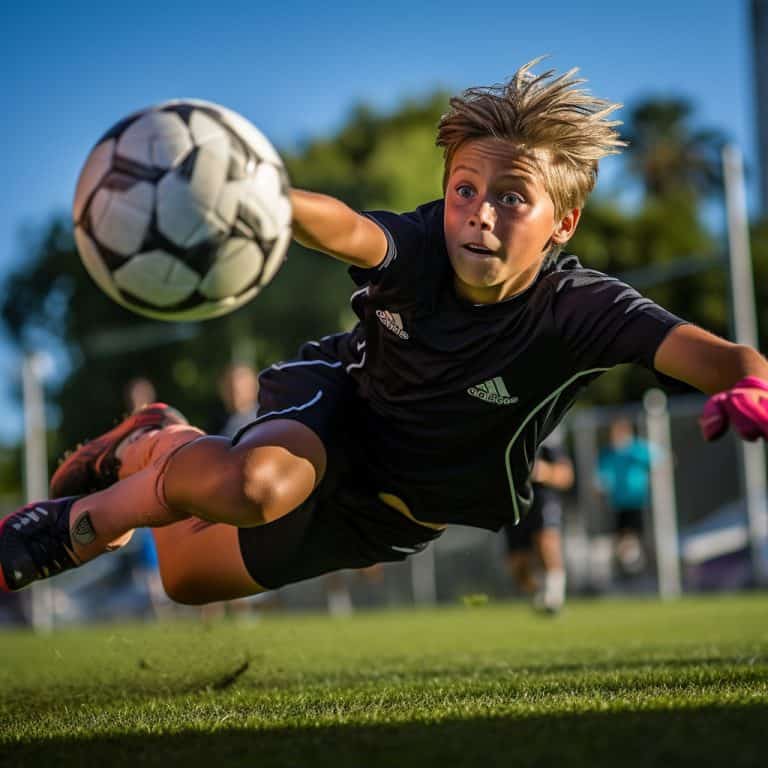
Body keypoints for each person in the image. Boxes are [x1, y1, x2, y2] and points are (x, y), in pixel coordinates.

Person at [2, 59, 768, 608]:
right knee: (256, 486)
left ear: (564, 222)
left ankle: (157, 437)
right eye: (465, 189)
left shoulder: (582, 310)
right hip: (338, 411)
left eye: (512, 198)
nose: (480, 213)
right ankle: (64, 529)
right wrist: (262, 195)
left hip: (394, 514)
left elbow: (723, 356)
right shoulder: (425, 244)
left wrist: (748, 382)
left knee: (186, 579)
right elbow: (351, 231)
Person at [504, 429, 574, 613]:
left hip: (541, 496)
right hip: (513, 498)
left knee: (547, 542)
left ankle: (554, 596)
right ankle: (538, 594)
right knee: (518, 563)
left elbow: (566, 475)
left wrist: (542, 471)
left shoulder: (547, 437)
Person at [597, 417, 658, 577]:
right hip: (619, 503)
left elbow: (660, 460)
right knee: (622, 537)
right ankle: (628, 567)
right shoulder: (609, 453)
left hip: (638, 501)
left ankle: (641, 566)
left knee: (637, 535)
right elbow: (601, 475)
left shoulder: (637, 449)